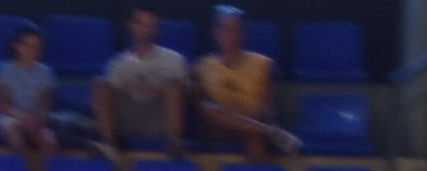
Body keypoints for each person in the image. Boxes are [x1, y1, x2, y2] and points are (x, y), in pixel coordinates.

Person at [194, 5, 294, 159]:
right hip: (220, 129)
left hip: (253, 126)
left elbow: (269, 108)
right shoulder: (203, 65)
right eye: (227, 30)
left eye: (237, 30)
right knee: (208, 109)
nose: (232, 36)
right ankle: (272, 132)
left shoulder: (263, 64)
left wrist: (257, 116)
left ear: (243, 34)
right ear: (216, 33)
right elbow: (201, 109)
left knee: (256, 137)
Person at [94, 6, 189, 156]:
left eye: (149, 25)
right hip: (128, 120)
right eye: (140, 24)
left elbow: (184, 95)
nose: (144, 29)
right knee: (101, 83)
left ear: (156, 28)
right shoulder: (116, 63)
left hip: (158, 121)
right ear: (131, 26)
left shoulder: (174, 60)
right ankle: (108, 145)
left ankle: (174, 143)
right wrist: (130, 90)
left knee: (174, 86)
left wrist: (156, 92)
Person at [0, 23, 61, 154]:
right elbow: (2, 104)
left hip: (36, 119)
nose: (31, 50)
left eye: (36, 47)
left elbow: (46, 104)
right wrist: (22, 117)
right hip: (11, 117)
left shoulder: (46, 72)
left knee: (49, 141)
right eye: (26, 45)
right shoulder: (4, 70)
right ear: (16, 46)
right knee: (14, 134)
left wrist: (38, 119)